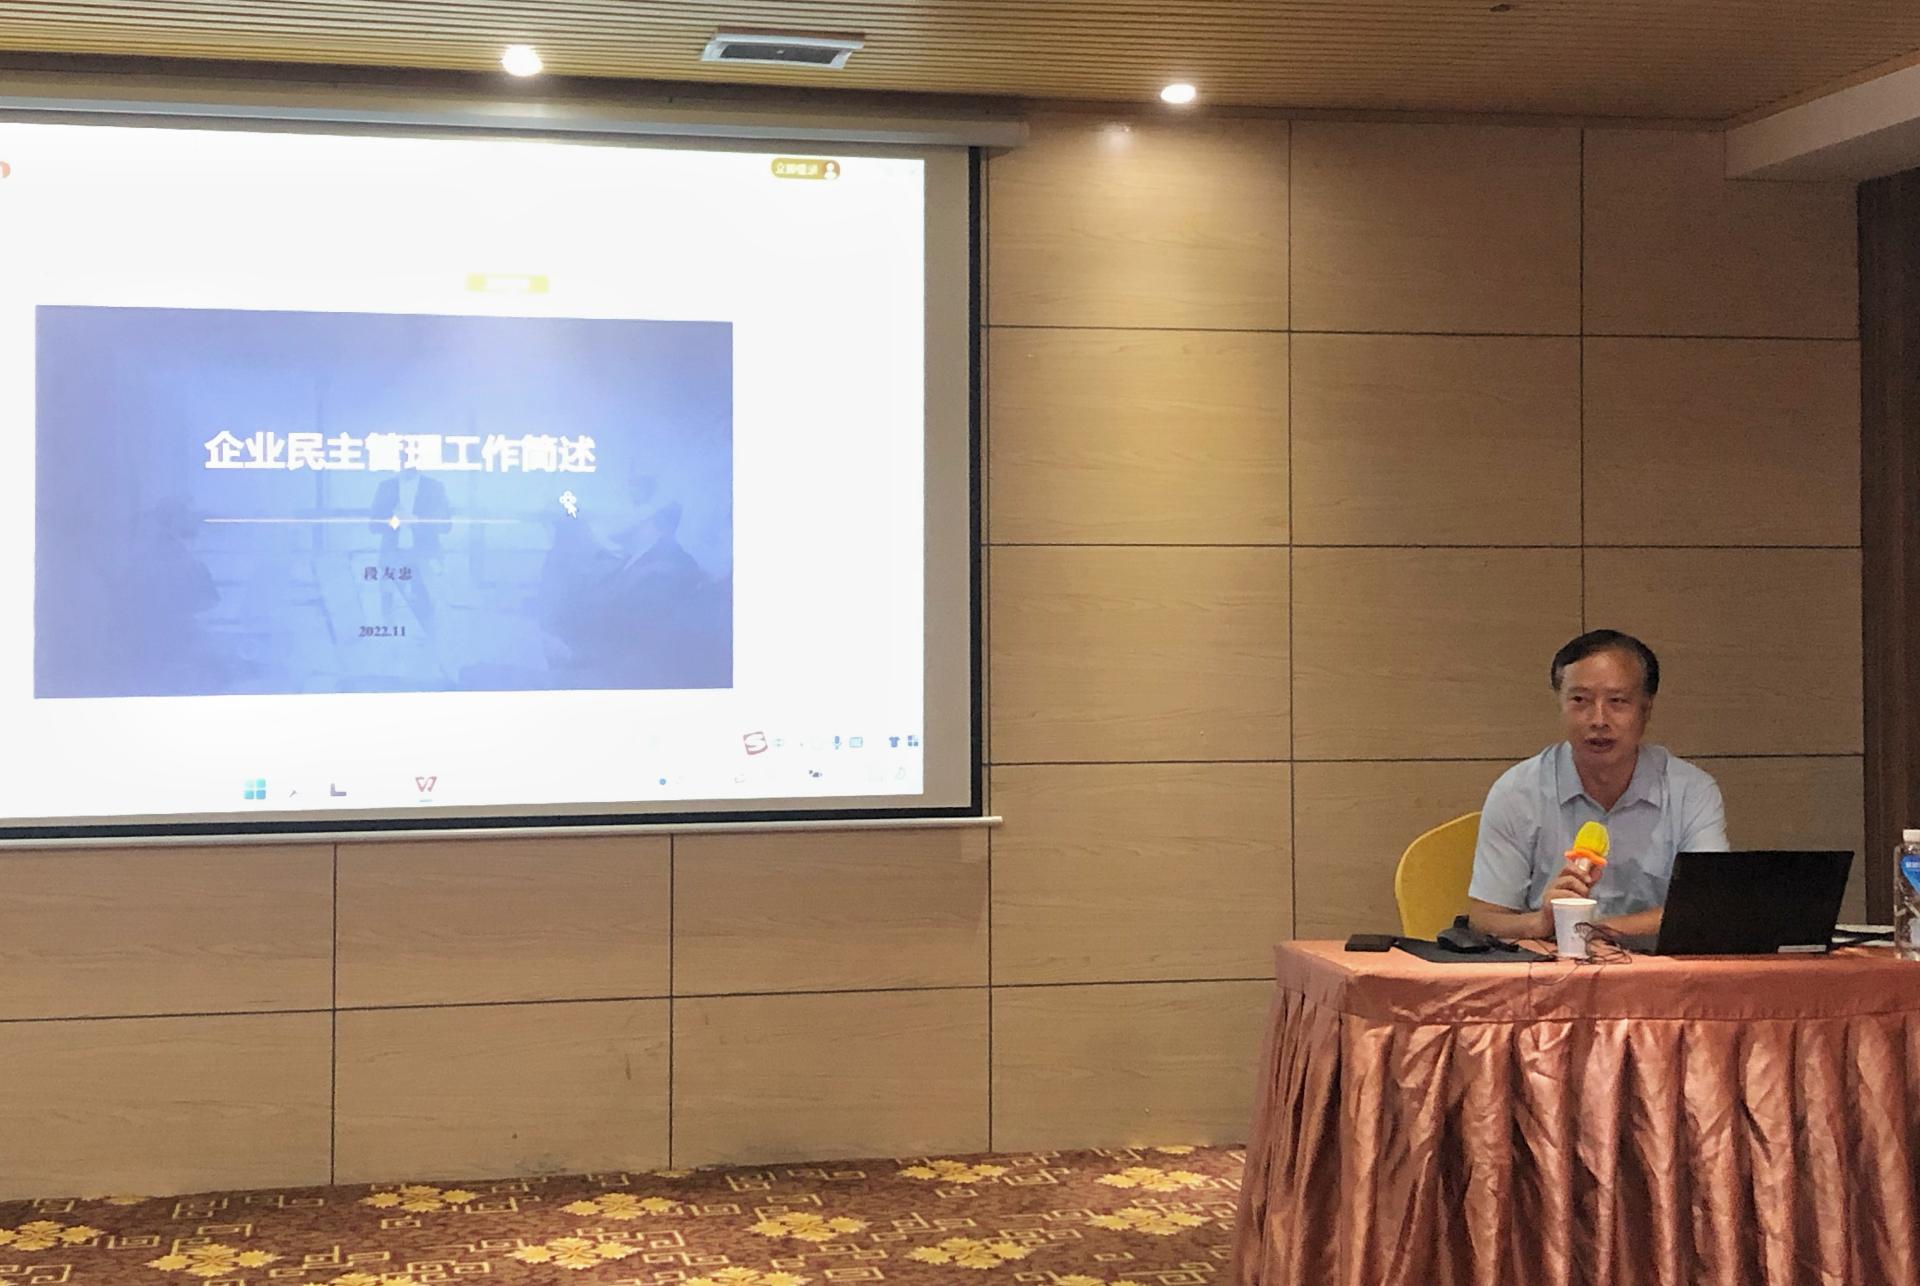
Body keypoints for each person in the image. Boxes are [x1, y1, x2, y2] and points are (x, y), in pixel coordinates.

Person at [1465, 629, 1728, 941]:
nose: (1598, 720)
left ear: (1646, 710)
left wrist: (1592, 930)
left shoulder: (1691, 792)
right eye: (1580, 700)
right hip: (1548, 965)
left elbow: (1708, 908)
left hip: (1657, 967)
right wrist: (1541, 923)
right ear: (1560, 704)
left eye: (1617, 701)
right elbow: (1485, 918)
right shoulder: (1517, 792)